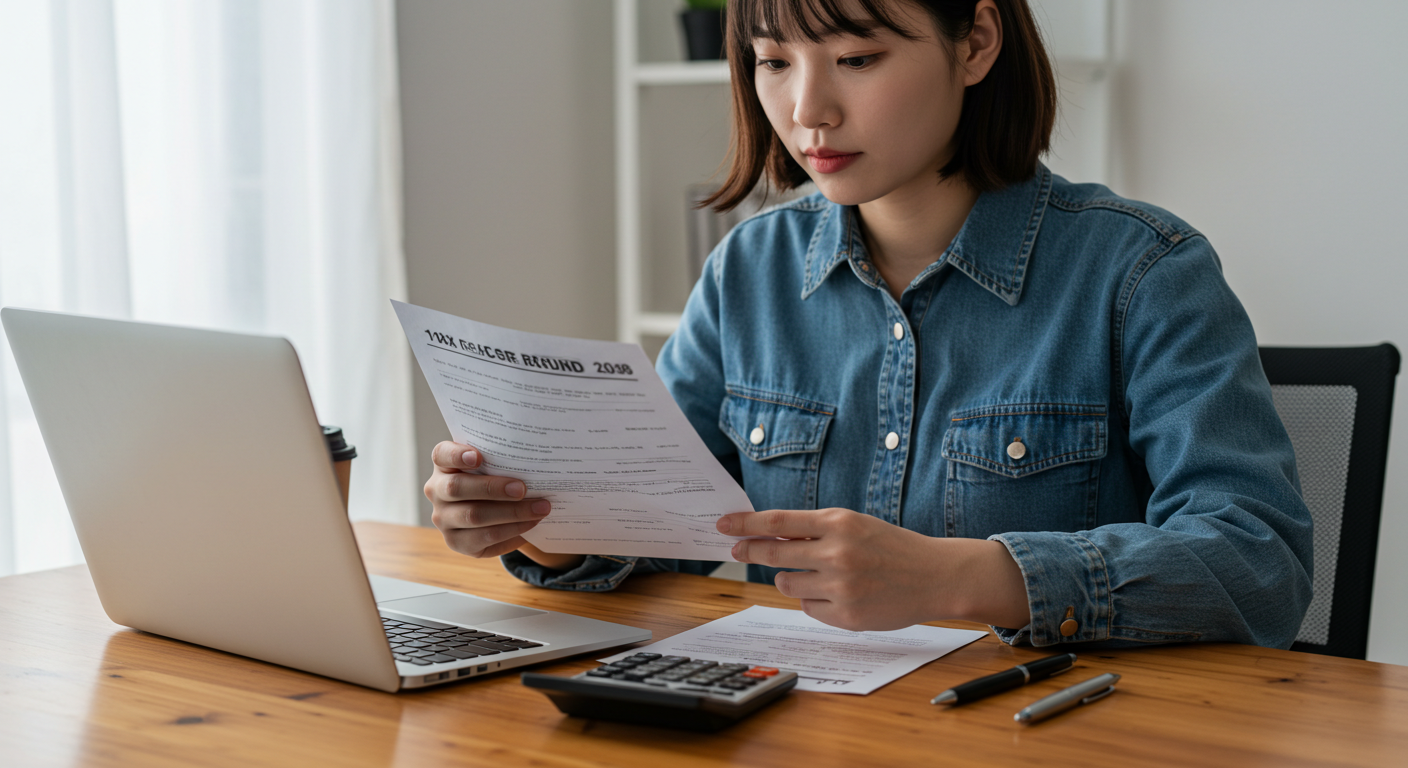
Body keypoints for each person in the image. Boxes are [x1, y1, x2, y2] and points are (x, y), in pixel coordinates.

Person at [424, 0, 1313, 648]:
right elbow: (670, 528)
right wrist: (545, 523)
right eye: (774, 61)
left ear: (976, 42)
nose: (808, 109)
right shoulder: (749, 271)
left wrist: (964, 577)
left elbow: (1258, 560)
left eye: (855, 57)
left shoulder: (1144, 271)